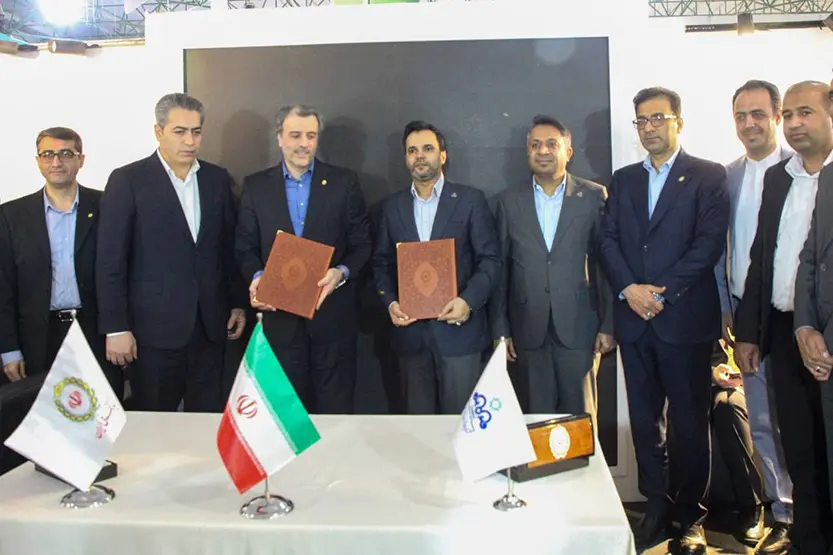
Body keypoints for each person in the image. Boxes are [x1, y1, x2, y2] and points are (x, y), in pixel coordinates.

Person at [600, 86, 729, 554]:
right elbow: (608, 239)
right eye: (642, 120)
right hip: (635, 320)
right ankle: (655, 504)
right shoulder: (624, 179)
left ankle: (690, 515)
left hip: (684, 319)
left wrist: (662, 292)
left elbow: (707, 245)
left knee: (689, 423)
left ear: (679, 121)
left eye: (658, 118)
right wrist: (629, 289)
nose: (649, 127)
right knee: (643, 419)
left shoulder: (708, 175)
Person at [96, 93, 247, 413]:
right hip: (152, 334)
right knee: (155, 423)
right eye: (180, 131)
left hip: (210, 328)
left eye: (196, 132)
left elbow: (226, 248)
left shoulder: (216, 179)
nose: (190, 141)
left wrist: (236, 302)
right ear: (158, 131)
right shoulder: (128, 180)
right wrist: (116, 327)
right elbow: (110, 261)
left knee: (207, 422)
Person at [735, 81, 833, 555]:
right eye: (789, 115)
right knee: (799, 443)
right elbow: (762, 257)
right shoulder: (780, 178)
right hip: (782, 327)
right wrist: (749, 333)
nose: (794, 123)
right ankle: (808, 538)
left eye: (805, 113)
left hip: (827, 333)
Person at [236, 104, 372, 414]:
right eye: (295, 135)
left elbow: (362, 243)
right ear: (279, 138)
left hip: (332, 321)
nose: (304, 144)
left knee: (334, 417)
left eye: (311, 136)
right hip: (279, 323)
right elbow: (244, 246)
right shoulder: (256, 186)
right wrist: (258, 278)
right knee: (283, 417)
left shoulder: (344, 182)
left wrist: (341, 272)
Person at [489, 114, 614, 422]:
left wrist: (609, 324)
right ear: (527, 152)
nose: (542, 151)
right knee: (535, 422)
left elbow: (607, 264)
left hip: (580, 328)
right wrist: (501, 330)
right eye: (535, 145)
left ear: (568, 152)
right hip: (527, 329)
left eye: (551, 144)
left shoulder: (593, 196)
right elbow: (501, 271)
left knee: (581, 421)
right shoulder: (507, 202)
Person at [713, 79, 794, 553]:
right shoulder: (727, 177)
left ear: (777, 117)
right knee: (761, 419)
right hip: (746, 315)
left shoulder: (806, 169)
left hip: (794, 315)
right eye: (741, 116)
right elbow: (719, 250)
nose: (749, 124)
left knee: (802, 419)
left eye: (758, 114)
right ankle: (782, 512)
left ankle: (814, 510)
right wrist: (726, 307)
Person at [372, 120, 501, 414]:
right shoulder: (391, 208)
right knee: (418, 430)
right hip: (410, 337)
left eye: (427, 149)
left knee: (462, 426)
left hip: (460, 334)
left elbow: (490, 260)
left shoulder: (470, 200)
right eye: (412, 150)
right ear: (406, 158)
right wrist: (390, 302)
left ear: (442, 155)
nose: (420, 156)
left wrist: (468, 301)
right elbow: (380, 264)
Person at [0, 127, 122, 397]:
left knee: (101, 412)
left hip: (96, 333)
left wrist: (120, 329)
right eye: (47, 154)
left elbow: (123, 272)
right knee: (42, 415)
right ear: (38, 161)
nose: (56, 162)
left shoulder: (108, 206)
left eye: (66, 154)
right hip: (37, 337)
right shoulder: (10, 216)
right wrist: (9, 350)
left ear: (81, 160)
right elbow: (3, 288)